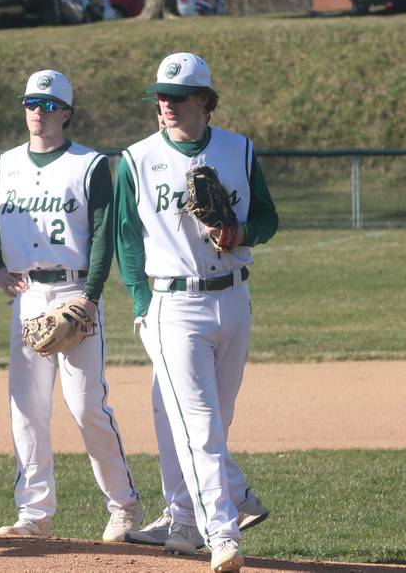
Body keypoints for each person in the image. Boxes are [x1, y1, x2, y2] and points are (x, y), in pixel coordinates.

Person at [114, 52, 278, 571]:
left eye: (177, 96)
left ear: (204, 101)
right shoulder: (137, 158)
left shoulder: (239, 148)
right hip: (173, 304)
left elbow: (269, 218)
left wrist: (242, 234)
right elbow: (125, 237)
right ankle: (223, 532)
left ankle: (184, 521)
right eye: (160, 95)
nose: (166, 104)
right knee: (200, 426)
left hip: (233, 298)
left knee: (212, 423)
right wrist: (143, 302)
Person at [0, 69, 142, 542]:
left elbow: (106, 229)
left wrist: (90, 294)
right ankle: (34, 514)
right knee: (26, 408)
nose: (37, 112)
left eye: (47, 105)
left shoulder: (89, 165)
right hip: (28, 295)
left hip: (75, 293)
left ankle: (124, 505)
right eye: (30, 103)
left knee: (87, 406)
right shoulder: (6, 164)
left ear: (66, 113)